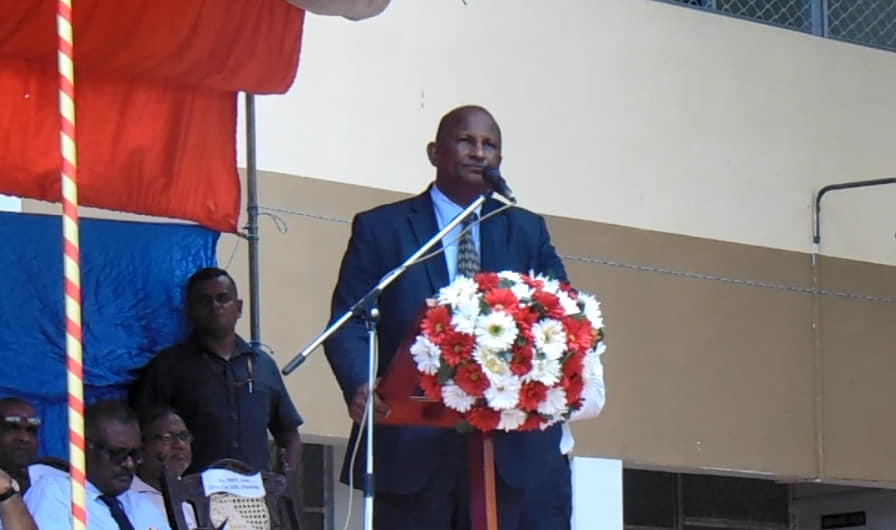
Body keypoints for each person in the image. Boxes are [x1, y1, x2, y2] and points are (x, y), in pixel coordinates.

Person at [324, 105, 570, 529]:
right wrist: (360, 382)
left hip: (511, 449)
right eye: (466, 141)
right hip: (413, 444)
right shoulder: (383, 228)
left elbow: (560, 317)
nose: (478, 152)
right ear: (434, 152)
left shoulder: (525, 230)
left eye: (489, 145)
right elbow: (349, 322)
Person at [134, 268, 303, 476]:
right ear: (189, 310)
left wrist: (284, 482)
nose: (215, 306)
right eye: (205, 301)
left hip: (254, 493)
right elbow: (144, 434)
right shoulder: (168, 366)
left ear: (239, 308)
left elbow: (289, 435)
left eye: (223, 298)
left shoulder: (263, 366)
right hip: (191, 492)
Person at [25, 399, 171, 530]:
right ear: (84, 448)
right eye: (117, 453)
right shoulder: (56, 493)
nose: (129, 463)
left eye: (135, 454)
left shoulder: (142, 506)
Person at [133, 407, 196, 527]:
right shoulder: (125, 500)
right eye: (167, 438)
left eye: (184, 436)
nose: (180, 445)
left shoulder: (200, 495)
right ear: (141, 447)